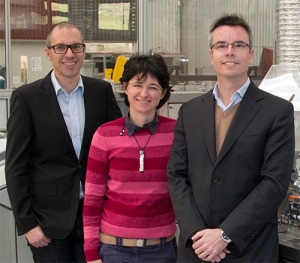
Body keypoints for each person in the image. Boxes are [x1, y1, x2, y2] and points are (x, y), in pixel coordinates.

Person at [167, 14, 295, 263]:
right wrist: (197, 233)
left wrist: (225, 234)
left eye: (238, 45)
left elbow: (274, 183)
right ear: (211, 54)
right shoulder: (190, 111)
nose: (230, 51)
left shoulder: (276, 111)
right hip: (197, 249)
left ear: (250, 54)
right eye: (221, 45)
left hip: (250, 249)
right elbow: (176, 176)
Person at [5, 22, 122, 263]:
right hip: (48, 223)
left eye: (75, 46)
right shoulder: (27, 98)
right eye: (60, 47)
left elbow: (118, 151)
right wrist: (28, 224)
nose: (69, 54)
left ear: (84, 50)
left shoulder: (101, 92)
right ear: (48, 53)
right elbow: (16, 167)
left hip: (96, 217)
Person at [83, 54, 177, 263]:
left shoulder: (176, 133)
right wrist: (91, 255)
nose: (144, 93)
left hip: (161, 250)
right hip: (114, 250)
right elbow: (92, 199)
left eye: (153, 87)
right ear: (125, 87)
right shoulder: (104, 135)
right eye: (138, 84)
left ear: (163, 93)